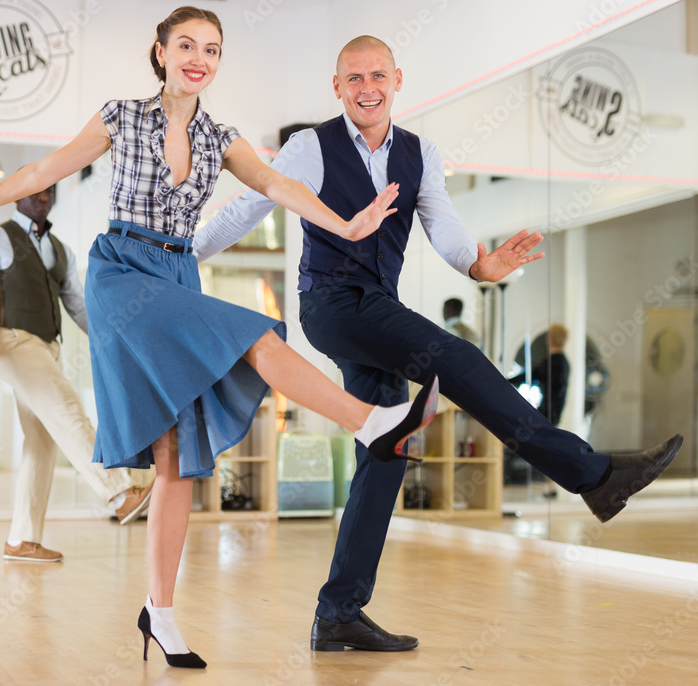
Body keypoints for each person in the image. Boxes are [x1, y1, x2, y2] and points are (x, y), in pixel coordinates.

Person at [0, 7, 438, 668]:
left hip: (178, 272)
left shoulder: (223, 136)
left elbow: (278, 184)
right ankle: (370, 424)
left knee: (175, 458)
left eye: (212, 50)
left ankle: (158, 615)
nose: (199, 58)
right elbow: (39, 172)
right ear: (160, 52)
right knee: (257, 337)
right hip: (122, 274)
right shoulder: (121, 117)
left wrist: (349, 224)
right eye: (186, 45)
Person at [195, 34, 684, 652]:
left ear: (398, 80)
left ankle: (338, 612)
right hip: (333, 304)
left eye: (377, 76)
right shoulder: (309, 147)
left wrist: (481, 266)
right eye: (354, 79)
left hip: (378, 305)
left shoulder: (420, 154)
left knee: (387, 449)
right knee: (454, 358)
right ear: (338, 88)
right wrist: (177, 259)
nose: (367, 88)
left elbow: (446, 231)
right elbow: (246, 209)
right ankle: (592, 474)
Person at [0, 184, 155, 564]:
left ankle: (22, 540)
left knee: (41, 439)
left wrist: (121, 340)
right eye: (36, 192)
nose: (43, 198)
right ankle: (120, 493)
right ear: (18, 195)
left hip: (47, 346)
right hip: (10, 340)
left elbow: (77, 306)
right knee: (67, 409)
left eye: (49, 192)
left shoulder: (61, 249)